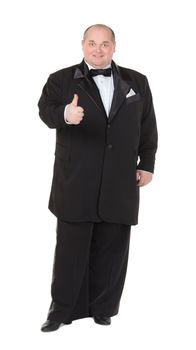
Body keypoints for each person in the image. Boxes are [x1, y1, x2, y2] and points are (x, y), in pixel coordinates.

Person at [38, 23, 158, 332]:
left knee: (112, 249)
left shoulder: (137, 82)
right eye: (92, 43)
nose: (98, 49)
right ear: (82, 45)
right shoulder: (60, 79)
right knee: (69, 251)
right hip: (75, 180)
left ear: (114, 47)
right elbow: (45, 110)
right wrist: (65, 114)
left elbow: (148, 126)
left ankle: (103, 308)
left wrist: (147, 163)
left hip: (120, 182)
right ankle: (60, 311)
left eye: (105, 44)